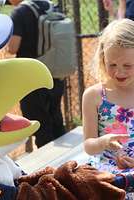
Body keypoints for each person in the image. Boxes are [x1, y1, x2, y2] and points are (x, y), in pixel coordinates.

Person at [82, 18, 134, 199]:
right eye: (112, 65)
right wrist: (104, 141)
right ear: (103, 59)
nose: (119, 72)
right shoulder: (94, 96)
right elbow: (89, 145)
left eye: (128, 65)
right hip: (107, 172)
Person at [7, 0, 66, 148]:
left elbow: (13, 48)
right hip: (56, 71)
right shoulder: (50, 6)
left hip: (31, 76)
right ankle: (66, 163)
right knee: (56, 118)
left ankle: (50, 166)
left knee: (40, 124)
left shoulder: (19, 12)